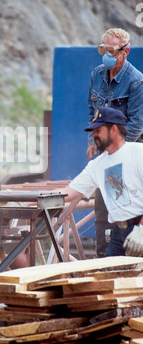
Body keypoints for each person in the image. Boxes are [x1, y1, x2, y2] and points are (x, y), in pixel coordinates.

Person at [87, 28, 143, 257]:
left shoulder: (136, 82)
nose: (106, 55)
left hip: (129, 152)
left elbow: (137, 124)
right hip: (108, 152)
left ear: (125, 52)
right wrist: (95, 140)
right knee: (103, 209)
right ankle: (103, 262)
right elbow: (93, 111)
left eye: (111, 50)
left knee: (127, 209)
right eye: (103, 49)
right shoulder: (97, 75)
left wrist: (115, 153)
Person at [62, 106, 143, 258]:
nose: (94, 136)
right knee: (111, 277)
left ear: (113, 129)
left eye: (98, 131)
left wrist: (142, 230)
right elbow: (69, 192)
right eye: (93, 132)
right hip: (117, 233)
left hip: (140, 227)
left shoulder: (138, 152)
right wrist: (33, 200)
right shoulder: (96, 165)